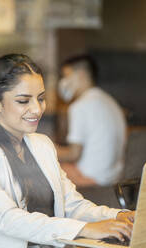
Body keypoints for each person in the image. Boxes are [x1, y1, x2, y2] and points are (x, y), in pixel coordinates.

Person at [0, 54, 133, 248]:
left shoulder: (42, 145)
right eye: (23, 101)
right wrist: (84, 229)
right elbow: (6, 218)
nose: (37, 109)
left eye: (41, 99)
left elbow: (72, 205)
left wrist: (119, 215)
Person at [56, 55, 127, 187]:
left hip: (92, 180)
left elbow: (73, 154)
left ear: (81, 75)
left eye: (66, 76)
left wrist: (48, 148)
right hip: (113, 178)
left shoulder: (80, 106)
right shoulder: (110, 101)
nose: (63, 82)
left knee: (47, 168)